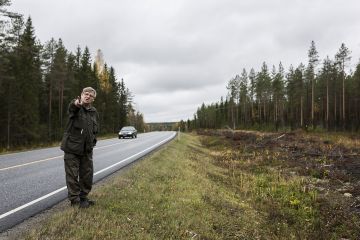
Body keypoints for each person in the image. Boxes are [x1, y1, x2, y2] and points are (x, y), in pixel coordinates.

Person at [60, 87, 99, 208]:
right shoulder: (76, 107)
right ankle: (75, 200)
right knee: (72, 175)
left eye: (90, 95)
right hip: (72, 148)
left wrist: (92, 142)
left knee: (87, 175)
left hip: (87, 149)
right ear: (81, 95)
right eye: (85, 94)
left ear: (93, 99)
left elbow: (95, 130)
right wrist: (77, 104)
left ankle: (83, 198)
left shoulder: (94, 112)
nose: (87, 96)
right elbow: (72, 107)